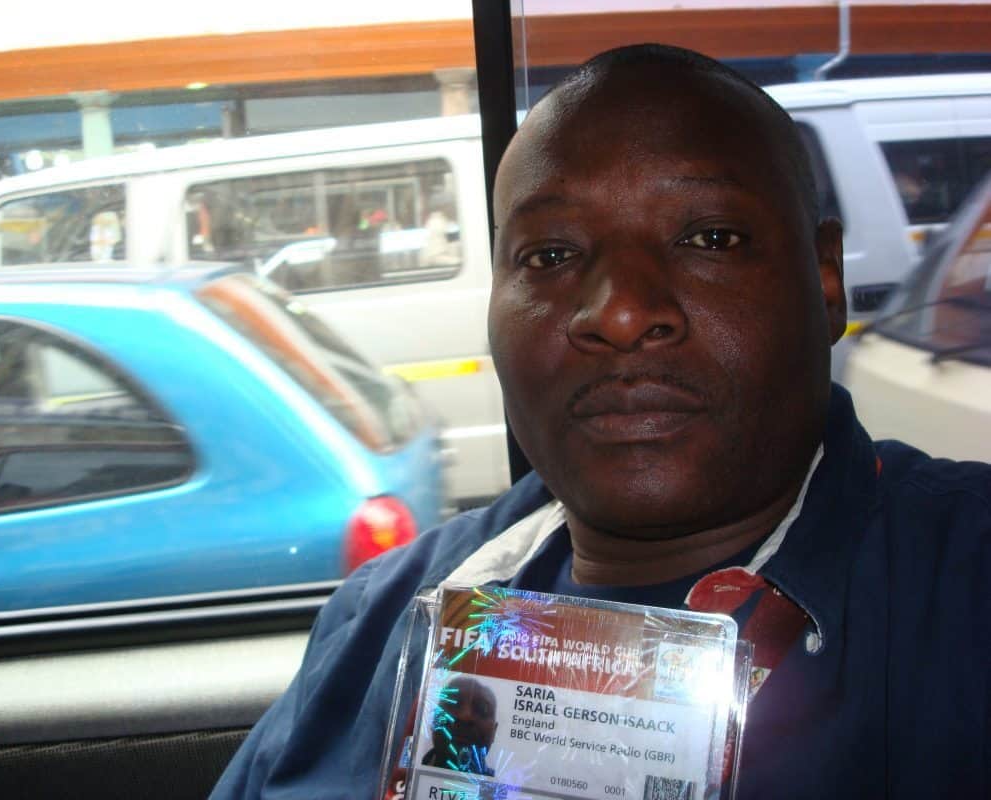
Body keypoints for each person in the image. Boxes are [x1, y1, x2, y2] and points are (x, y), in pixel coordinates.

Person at [210, 44, 990, 799]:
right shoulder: (380, 614)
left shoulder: (966, 585)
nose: (619, 312)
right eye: (549, 255)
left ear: (824, 282)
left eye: (709, 239)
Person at [420, 676, 498, 777]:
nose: (465, 716)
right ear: (434, 717)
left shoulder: (504, 787)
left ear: (494, 732)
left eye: (482, 709)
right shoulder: (408, 773)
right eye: (452, 703)